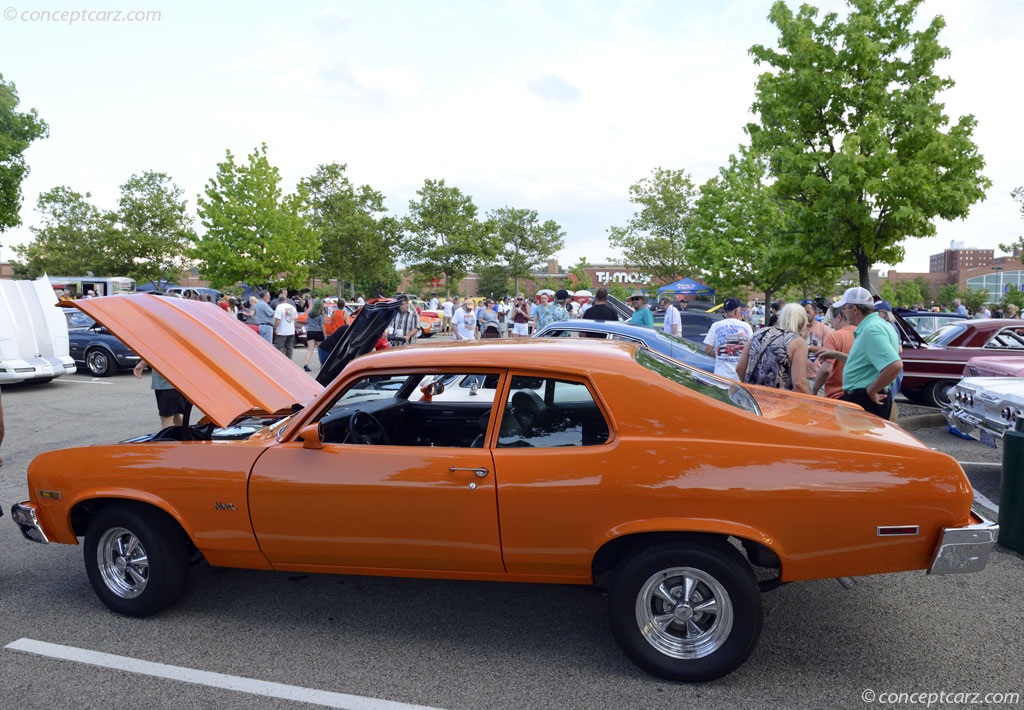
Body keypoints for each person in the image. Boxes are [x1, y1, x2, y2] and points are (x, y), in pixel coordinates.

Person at [818, 286, 902, 419]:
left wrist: (871, 390)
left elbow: (895, 365)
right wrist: (834, 354)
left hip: (865, 399)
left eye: (845, 308)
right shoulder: (880, 324)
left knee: (859, 438)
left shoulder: (871, 329)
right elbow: (863, 363)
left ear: (854, 309)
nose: (844, 312)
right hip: (867, 398)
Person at [736, 302, 810, 393]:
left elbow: (739, 368)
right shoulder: (798, 342)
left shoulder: (759, 333)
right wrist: (810, 404)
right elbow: (799, 383)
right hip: (779, 402)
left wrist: (750, 388)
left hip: (752, 401)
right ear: (802, 324)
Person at [811, 305, 856, 399]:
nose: (833, 326)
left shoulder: (834, 337)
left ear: (839, 317)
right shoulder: (862, 333)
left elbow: (826, 369)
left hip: (836, 395)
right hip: (858, 392)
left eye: (832, 321)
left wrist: (814, 390)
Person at [703, 297, 753, 380]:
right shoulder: (746, 326)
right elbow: (752, 349)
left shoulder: (716, 326)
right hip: (739, 378)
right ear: (737, 311)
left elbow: (708, 350)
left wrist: (719, 357)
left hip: (720, 376)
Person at [133, 361, 189, 428]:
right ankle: (187, 436)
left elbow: (156, 352)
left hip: (168, 383)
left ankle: (175, 437)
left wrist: (142, 364)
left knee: (167, 419)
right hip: (171, 382)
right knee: (175, 415)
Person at [801, 299, 832, 386]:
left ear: (816, 312)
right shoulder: (795, 328)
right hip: (799, 376)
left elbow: (830, 350)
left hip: (817, 377)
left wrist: (808, 348)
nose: (805, 315)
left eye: (808, 312)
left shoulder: (824, 329)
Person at [303, 298, 326, 371]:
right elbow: (323, 326)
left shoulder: (310, 314)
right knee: (321, 349)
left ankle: (306, 364)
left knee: (310, 349)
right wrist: (325, 335)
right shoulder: (321, 315)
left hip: (310, 332)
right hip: (318, 332)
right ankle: (322, 364)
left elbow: (307, 322)